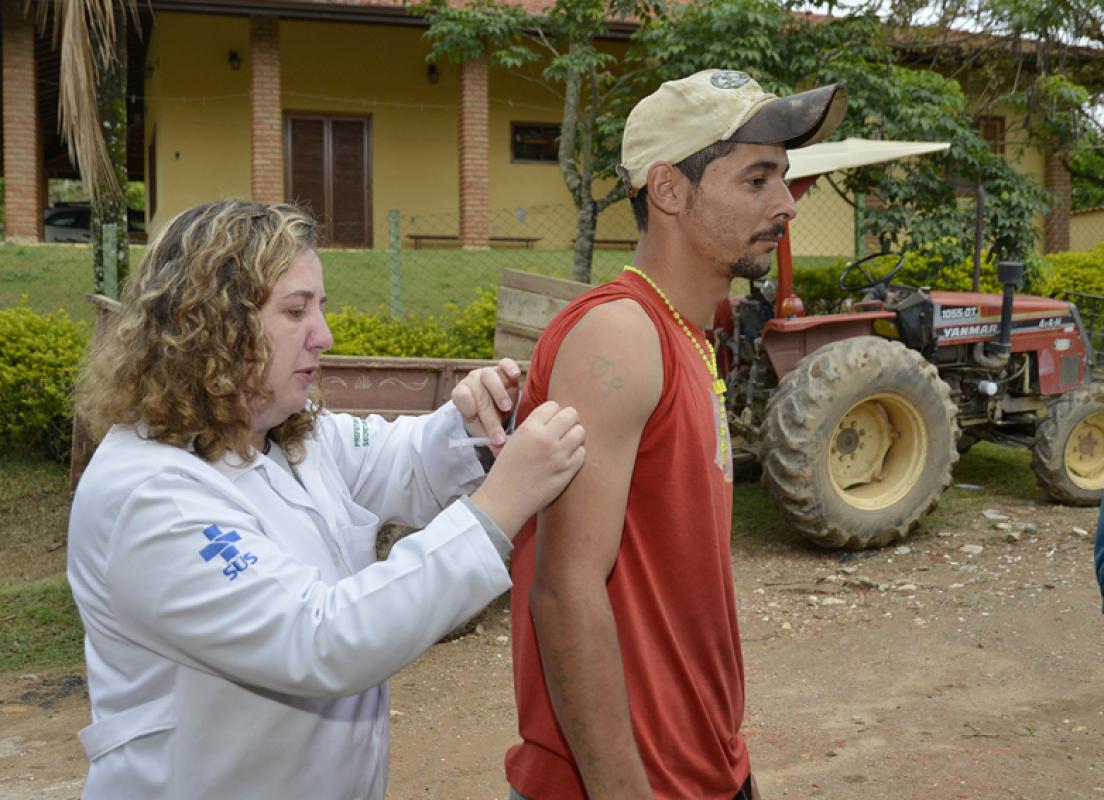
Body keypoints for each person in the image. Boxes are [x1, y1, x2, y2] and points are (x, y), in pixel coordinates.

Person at [67, 198, 586, 799]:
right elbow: (319, 641)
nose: (325, 335)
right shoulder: (150, 497)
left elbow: (403, 458)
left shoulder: (280, 437)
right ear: (211, 324)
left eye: (320, 307)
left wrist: (475, 426)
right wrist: (499, 505)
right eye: (296, 311)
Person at [504, 69, 848, 800]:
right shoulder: (621, 336)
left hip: (702, 763)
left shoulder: (689, 334)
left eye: (783, 180)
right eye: (758, 180)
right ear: (668, 190)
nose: (786, 205)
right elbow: (565, 591)